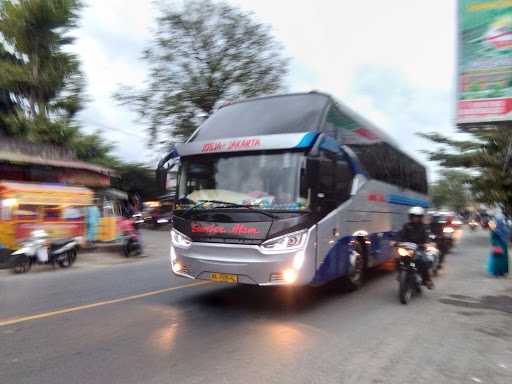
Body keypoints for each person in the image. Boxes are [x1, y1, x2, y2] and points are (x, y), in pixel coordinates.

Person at [398, 206, 434, 289]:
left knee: (424, 261)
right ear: (410, 216)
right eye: (413, 216)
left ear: (421, 217)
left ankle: (427, 280)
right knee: (399, 258)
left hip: (420, 249)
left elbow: (427, 237)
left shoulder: (424, 227)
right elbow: (400, 235)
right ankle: (400, 273)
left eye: (417, 217)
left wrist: (427, 243)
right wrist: (395, 241)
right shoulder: (406, 226)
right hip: (408, 248)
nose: (415, 218)